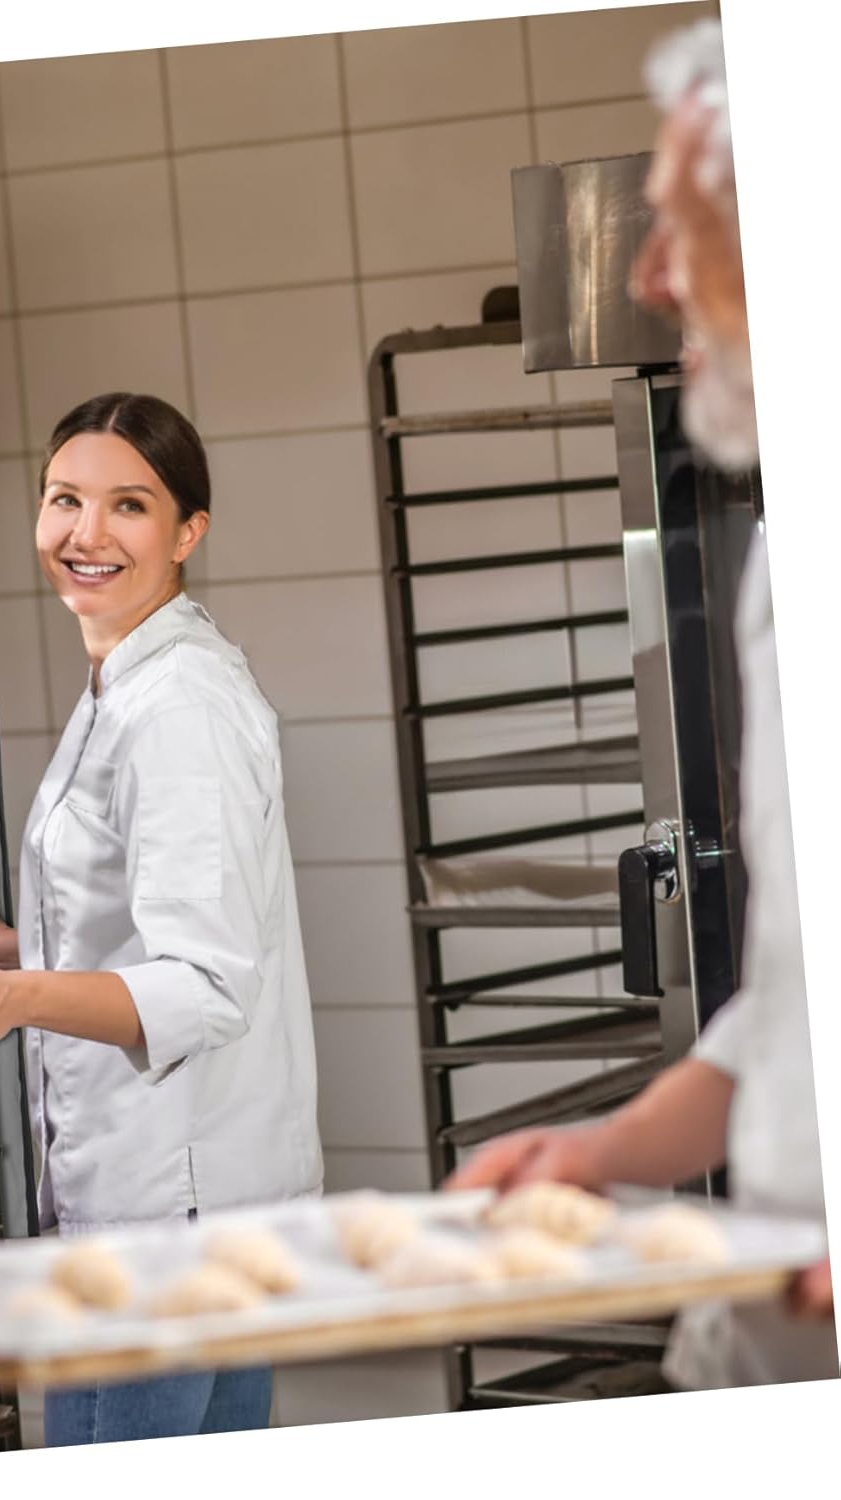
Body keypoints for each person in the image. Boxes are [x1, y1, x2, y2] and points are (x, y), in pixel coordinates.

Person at [446, 18, 835, 1388]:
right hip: (774, 1327)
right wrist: (602, 1150)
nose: (650, 276)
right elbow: (791, 1004)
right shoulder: (789, 554)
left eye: (684, 227)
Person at [0, 391, 324, 1442]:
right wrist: (14, 947)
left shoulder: (178, 707)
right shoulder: (129, 677)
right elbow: (148, 918)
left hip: (173, 1214)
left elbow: (205, 984)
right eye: (64, 499)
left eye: (129, 505)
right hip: (174, 1207)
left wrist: (13, 998)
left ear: (188, 532)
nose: (86, 534)